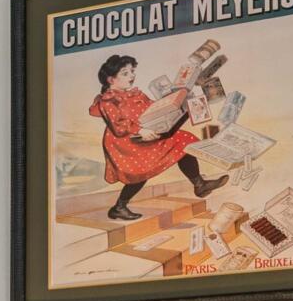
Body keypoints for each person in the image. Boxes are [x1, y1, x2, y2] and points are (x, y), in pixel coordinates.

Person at [89, 54, 223, 222]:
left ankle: (199, 184)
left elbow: (153, 108)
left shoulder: (136, 94)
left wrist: (176, 103)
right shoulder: (107, 101)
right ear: (111, 79)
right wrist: (140, 129)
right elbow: (118, 126)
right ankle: (119, 207)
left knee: (184, 141)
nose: (131, 76)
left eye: (132, 71)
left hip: (147, 135)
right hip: (125, 143)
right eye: (125, 73)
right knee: (140, 173)